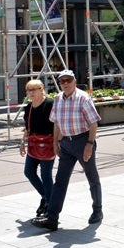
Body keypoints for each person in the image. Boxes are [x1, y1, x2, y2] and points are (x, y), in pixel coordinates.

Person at [32, 70, 103, 231]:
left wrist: (89, 144)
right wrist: (56, 142)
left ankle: (97, 210)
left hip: (82, 140)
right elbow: (56, 122)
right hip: (65, 143)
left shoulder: (83, 98)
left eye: (68, 80)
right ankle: (52, 218)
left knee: (92, 177)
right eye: (62, 81)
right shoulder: (58, 99)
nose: (65, 83)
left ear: (74, 81)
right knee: (60, 181)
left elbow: (93, 123)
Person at [19, 79, 55, 218]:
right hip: (34, 144)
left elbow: (57, 125)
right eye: (29, 90)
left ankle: (50, 206)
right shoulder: (28, 107)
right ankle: (46, 197)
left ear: (41, 89)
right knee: (29, 172)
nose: (31, 93)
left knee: (46, 175)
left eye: (34, 89)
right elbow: (28, 128)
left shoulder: (50, 104)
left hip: (48, 144)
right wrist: (22, 142)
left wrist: (57, 143)